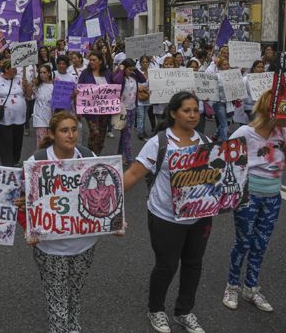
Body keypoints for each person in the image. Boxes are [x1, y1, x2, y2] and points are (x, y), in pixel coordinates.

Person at [123, 92, 211, 333]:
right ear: (173, 113)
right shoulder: (159, 142)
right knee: (166, 265)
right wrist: (106, 202)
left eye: (195, 110)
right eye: (186, 110)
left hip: (200, 217)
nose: (193, 115)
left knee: (193, 264)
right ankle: (156, 309)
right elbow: (132, 175)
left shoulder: (205, 141)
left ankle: (184, 311)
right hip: (165, 217)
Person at [25, 112, 100, 333]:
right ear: (52, 134)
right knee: (57, 295)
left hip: (84, 244)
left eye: (74, 129)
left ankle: (73, 326)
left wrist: (113, 221)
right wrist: (29, 227)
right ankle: (60, 328)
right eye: (64, 130)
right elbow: (22, 201)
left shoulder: (88, 156)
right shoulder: (36, 162)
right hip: (50, 246)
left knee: (75, 291)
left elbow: (102, 196)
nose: (71, 135)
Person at [222, 90, 285, 313]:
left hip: (273, 198)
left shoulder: (282, 133)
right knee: (243, 242)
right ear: (271, 110)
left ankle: (251, 287)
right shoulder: (244, 133)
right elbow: (224, 162)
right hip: (248, 196)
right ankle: (232, 285)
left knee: (261, 243)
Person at [0, 59, 32, 166]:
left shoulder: (20, 79)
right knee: (5, 143)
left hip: (19, 117)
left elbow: (28, 95)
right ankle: (7, 165)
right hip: (4, 119)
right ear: (6, 69)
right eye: (13, 68)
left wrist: (27, 86)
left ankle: (15, 161)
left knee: (17, 142)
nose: (16, 70)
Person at [77, 51, 113, 155]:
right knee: (95, 133)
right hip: (90, 111)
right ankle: (90, 155)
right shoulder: (85, 73)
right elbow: (80, 89)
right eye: (90, 60)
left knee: (101, 135)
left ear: (100, 61)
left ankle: (97, 155)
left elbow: (114, 88)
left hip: (104, 111)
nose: (91, 62)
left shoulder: (107, 73)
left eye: (94, 60)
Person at [112, 58, 146, 168]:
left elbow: (142, 79)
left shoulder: (134, 76)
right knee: (127, 135)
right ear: (125, 67)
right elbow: (116, 81)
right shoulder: (121, 77)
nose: (130, 71)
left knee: (124, 135)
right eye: (129, 69)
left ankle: (118, 156)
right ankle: (130, 159)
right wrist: (121, 70)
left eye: (132, 69)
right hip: (123, 110)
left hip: (132, 108)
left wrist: (135, 70)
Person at [31, 64, 54, 146]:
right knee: (42, 142)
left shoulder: (55, 85)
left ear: (49, 73)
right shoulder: (37, 85)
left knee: (52, 142)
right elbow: (29, 95)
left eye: (44, 72)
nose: (42, 74)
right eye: (40, 73)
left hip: (52, 118)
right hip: (40, 118)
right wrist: (30, 84)